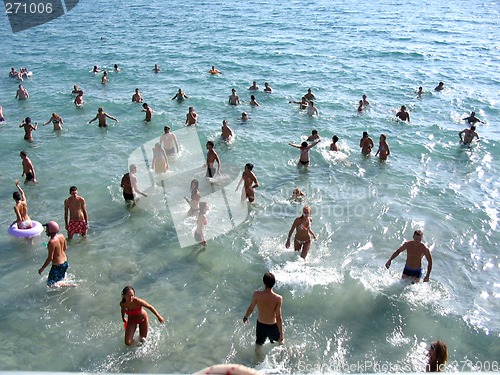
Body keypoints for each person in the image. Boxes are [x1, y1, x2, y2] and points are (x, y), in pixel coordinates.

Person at [243, 272, 284, 347]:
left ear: (264, 282)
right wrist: (281, 334)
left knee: (258, 345)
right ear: (274, 283)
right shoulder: (278, 298)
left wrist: (245, 317)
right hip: (272, 326)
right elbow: (278, 317)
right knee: (279, 344)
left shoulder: (256, 294)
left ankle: (257, 358)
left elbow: (251, 308)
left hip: (261, 325)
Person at [38, 221, 71, 287]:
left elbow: (50, 258)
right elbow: (65, 248)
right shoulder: (62, 236)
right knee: (60, 279)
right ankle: (66, 284)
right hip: (65, 262)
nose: (45, 231)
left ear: (51, 230)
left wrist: (42, 268)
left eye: (47, 229)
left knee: (50, 284)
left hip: (57, 266)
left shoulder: (51, 242)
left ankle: (70, 285)